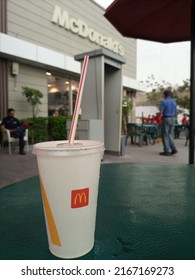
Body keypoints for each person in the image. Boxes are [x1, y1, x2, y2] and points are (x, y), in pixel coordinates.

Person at [159, 90, 178, 156]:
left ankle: (166, 151)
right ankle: (173, 149)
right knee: (170, 134)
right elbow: (176, 113)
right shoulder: (174, 102)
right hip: (173, 119)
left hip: (166, 118)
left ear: (165, 95)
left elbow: (161, 112)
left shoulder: (163, 101)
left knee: (165, 135)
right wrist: (174, 118)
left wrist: (158, 116)